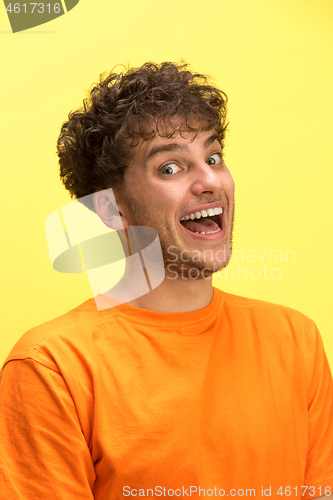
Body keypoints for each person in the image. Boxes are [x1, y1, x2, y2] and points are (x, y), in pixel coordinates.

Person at [0, 62, 332, 500]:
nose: (211, 181)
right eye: (171, 168)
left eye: (213, 158)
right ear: (110, 209)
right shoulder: (52, 368)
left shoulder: (295, 339)